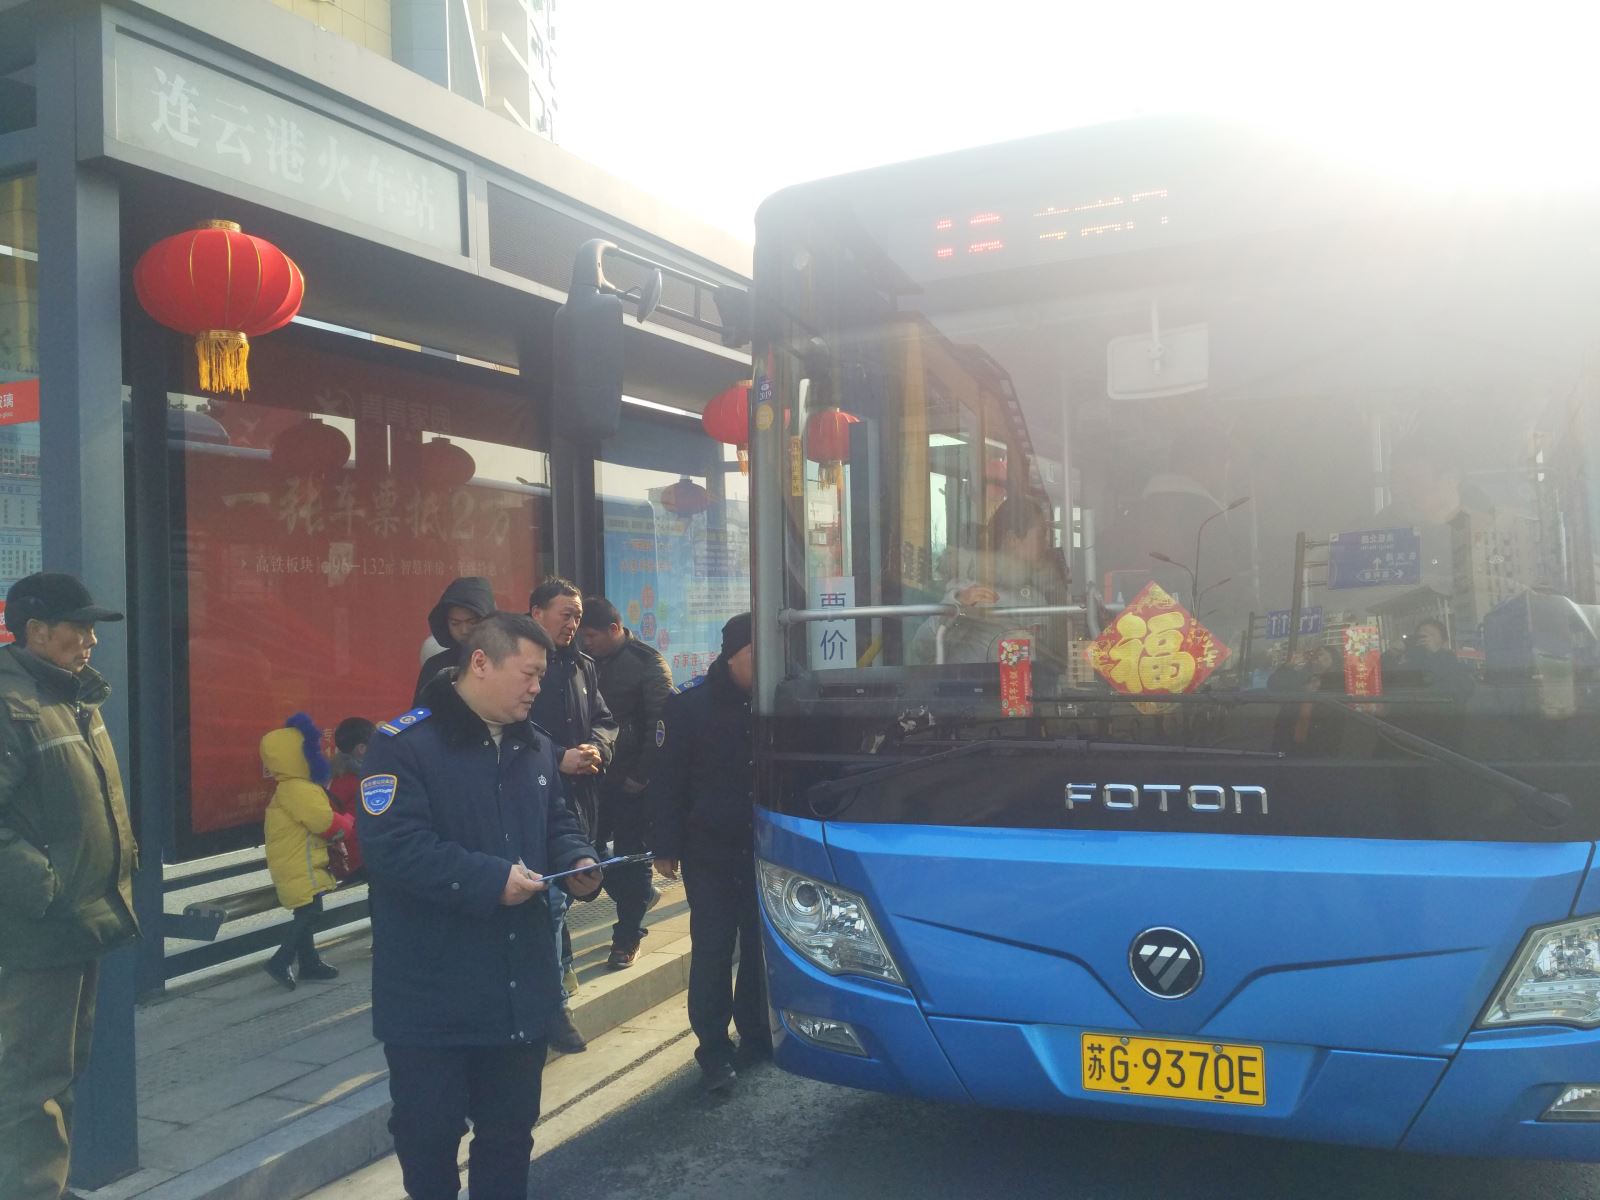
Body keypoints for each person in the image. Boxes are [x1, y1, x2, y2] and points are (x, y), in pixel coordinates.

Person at [358, 612, 601, 1200]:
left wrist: (577, 859)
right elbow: (395, 848)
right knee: (428, 1135)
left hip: (517, 987)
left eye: (542, 676)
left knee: (509, 1135)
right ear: (481, 663)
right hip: (431, 992)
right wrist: (491, 880)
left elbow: (556, 820)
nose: (537, 687)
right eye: (529, 673)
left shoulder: (534, 745)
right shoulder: (404, 746)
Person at [0, 572, 135, 1200]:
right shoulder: (12, 703)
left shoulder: (72, 695)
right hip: (37, 928)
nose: (90, 640)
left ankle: (49, 1188)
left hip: (78, 917)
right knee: (30, 1082)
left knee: (62, 1070)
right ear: (36, 630)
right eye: (78, 628)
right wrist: (43, 885)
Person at [650, 612, 769, 1092]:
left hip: (764, 849)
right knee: (713, 948)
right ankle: (714, 1049)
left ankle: (756, 1034)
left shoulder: (776, 699)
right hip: (710, 850)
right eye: (754, 653)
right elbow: (666, 781)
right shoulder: (688, 705)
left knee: (760, 946)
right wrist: (664, 845)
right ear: (732, 655)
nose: (764, 663)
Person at [528, 579, 618, 1052]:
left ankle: (556, 993)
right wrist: (555, 756)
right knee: (549, 904)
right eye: (565, 614)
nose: (573, 623)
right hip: (532, 799)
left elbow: (605, 719)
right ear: (536, 612)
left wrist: (596, 748)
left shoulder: (583, 665)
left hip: (576, 801)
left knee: (558, 901)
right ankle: (555, 1007)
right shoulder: (522, 663)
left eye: (578, 616)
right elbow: (514, 726)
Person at [579, 596, 673, 969]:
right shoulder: (581, 662)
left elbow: (660, 727)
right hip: (591, 779)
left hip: (631, 783)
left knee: (632, 856)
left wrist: (642, 774)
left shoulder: (647, 664)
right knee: (589, 850)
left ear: (614, 629)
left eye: (591, 636)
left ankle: (627, 937)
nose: (585, 642)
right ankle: (640, 896)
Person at [912, 495, 1069, 665]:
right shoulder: (972, 588)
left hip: (1025, 681)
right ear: (1013, 540)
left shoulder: (1040, 590)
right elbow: (922, 648)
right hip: (977, 681)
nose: (1047, 544)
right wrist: (957, 605)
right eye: (1041, 536)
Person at [260, 714, 355, 990]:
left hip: (295, 860)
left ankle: (309, 962)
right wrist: (348, 822)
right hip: (301, 861)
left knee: (306, 909)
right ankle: (281, 960)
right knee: (310, 912)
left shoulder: (288, 787)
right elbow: (324, 823)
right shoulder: (300, 789)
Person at [414, 576, 495, 705]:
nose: (464, 630)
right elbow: (421, 713)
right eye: (455, 623)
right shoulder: (436, 667)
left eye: (472, 622)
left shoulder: (508, 660)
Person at [325, 716, 375, 883]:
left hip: (365, 851)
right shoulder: (353, 780)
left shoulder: (341, 776)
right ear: (362, 749)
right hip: (361, 856)